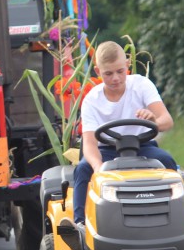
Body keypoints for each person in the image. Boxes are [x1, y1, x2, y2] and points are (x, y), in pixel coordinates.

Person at [72, 41, 176, 225]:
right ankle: (79, 225)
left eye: (120, 71)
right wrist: (98, 168)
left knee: (166, 161)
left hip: (142, 146)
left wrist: (153, 121)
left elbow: (166, 121)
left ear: (127, 65)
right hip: (107, 151)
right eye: (108, 73)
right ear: (98, 71)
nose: (116, 79)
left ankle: (177, 219)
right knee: (82, 169)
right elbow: (89, 144)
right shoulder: (91, 100)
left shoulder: (141, 85)